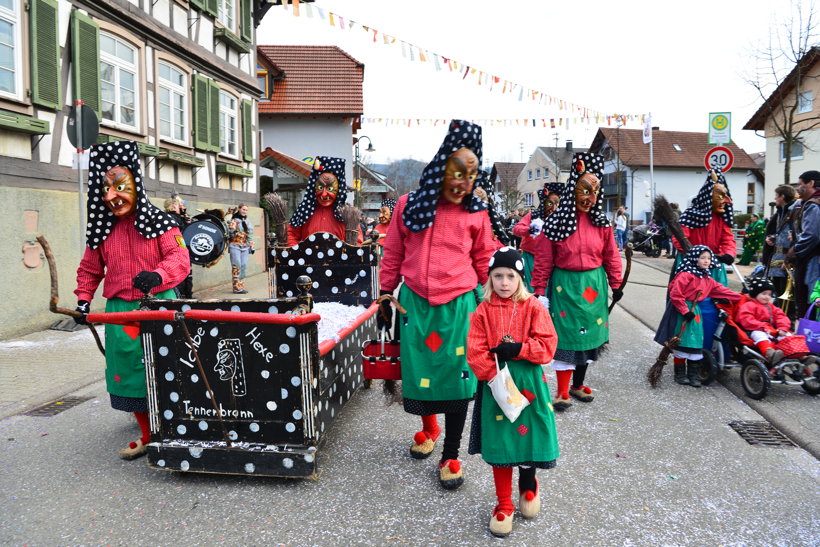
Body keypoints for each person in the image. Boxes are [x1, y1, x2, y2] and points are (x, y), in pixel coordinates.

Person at [379, 120, 497, 489]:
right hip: (414, 304)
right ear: (442, 167)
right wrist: (385, 293)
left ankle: (451, 453)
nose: (464, 182)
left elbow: (485, 260)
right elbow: (393, 251)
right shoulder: (407, 205)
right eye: (457, 172)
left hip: (460, 306)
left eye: (472, 174)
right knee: (420, 374)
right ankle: (428, 431)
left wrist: (491, 305)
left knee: (459, 380)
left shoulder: (476, 212)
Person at [74, 141, 190, 460]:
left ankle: (178, 424)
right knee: (130, 370)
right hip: (120, 312)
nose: (112, 196)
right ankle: (148, 432)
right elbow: (89, 269)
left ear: (136, 185)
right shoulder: (102, 230)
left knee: (169, 366)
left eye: (120, 187)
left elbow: (180, 256)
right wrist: (83, 300)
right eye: (106, 189)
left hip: (159, 309)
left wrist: (158, 274)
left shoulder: (162, 223)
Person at [466, 247, 559, 537]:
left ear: (520, 278)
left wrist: (519, 348)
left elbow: (548, 345)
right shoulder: (483, 310)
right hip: (497, 385)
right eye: (498, 276)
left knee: (527, 436)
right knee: (503, 443)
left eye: (510, 276)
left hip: (529, 383)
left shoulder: (533, 307)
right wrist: (496, 381)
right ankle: (504, 503)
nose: (504, 283)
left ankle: (528, 485)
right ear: (489, 279)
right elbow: (475, 351)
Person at [531, 153, 623, 411]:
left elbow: (611, 256)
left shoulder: (602, 223)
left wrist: (616, 284)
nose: (589, 197)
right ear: (573, 189)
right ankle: (561, 391)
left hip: (594, 286)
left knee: (589, 338)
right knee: (567, 337)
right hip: (565, 286)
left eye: (594, 191)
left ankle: (577, 384)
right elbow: (543, 260)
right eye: (584, 189)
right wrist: (539, 291)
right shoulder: (555, 223)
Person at [653, 245, 742, 386]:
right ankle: (680, 374)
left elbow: (720, 289)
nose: (706, 261)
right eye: (703, 258)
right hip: (682, 311)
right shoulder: (685, 275)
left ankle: (693, 374)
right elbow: (676, 294)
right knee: (681, 340)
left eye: (709, 258)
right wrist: (685, 310)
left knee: (695, 341)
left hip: (695, 313)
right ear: (695, 258)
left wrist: (741, 297)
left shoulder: (706, 278)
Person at [287, 156, 362, 246]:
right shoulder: (305, 210)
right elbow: (290, 234)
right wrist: (298, 253)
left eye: (330, 188)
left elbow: (357, 241)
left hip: (339, 259)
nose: (323, 194)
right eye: (320, 187)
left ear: (339, 189)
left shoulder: (348, 214)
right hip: (309, 259)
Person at [512, 182, 562, 291]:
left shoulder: (561, 219)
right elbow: (516, 229)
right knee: (531, 288)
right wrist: (529, 229)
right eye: (550, 204)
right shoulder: (534, 216)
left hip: (553, 260)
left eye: (557, 204)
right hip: (531, 257)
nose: (553, 208)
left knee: (551, 289)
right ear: (544, 203)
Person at [736, 277, 794, 368]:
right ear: (755, 294)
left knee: (787, 336)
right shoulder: (748, 305)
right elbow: (746, 319)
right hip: (754, 329)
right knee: (759, 335)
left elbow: (781, 316)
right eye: (764, 294)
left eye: (770, 294)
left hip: (771, 330)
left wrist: (783, 328)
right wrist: (763, 326)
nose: (767, 297)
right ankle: (770, 353)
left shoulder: (771, 306)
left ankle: (797, 354)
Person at [786, 170, 820, 319]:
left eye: (801, 184)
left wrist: (794, 251)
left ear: (811, 183)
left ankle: (811, 336)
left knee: (810, 297)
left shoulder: (813, 204)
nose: (798, 189)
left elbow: (811, 235)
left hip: (813, 259)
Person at [762, 185, 797, 313]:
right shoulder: (779, 212)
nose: (775, 198)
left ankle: (789, 320)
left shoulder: (795, 211)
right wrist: (771, 239)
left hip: (789, 257)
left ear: (782, 196)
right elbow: (778, 233)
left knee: (788, 292)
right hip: (776, 256)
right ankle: (780, 317)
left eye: (777, 195)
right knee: (778, 291)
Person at [164, 196, 193, 299]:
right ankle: (184, 298)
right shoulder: (171, 217)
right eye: (177, 204)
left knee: (187, 275)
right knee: (182, 276)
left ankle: (186, 296)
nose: (179, 206)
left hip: (182, 250)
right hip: (178, 250)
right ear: (172, 206)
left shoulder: (176, 217)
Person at [228, 203, 254, 294]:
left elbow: (250, 234)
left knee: (243, 266)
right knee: (236, 266)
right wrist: (231, 225)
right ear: (239, 209)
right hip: (235, 245)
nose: (245, 211)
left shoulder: (247, 220)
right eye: (243, 209)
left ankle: (241, 287)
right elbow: (230, 233)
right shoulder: (233, 219)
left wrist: (251, 245)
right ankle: (236, 288)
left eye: (246, 210)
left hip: (245, 246)